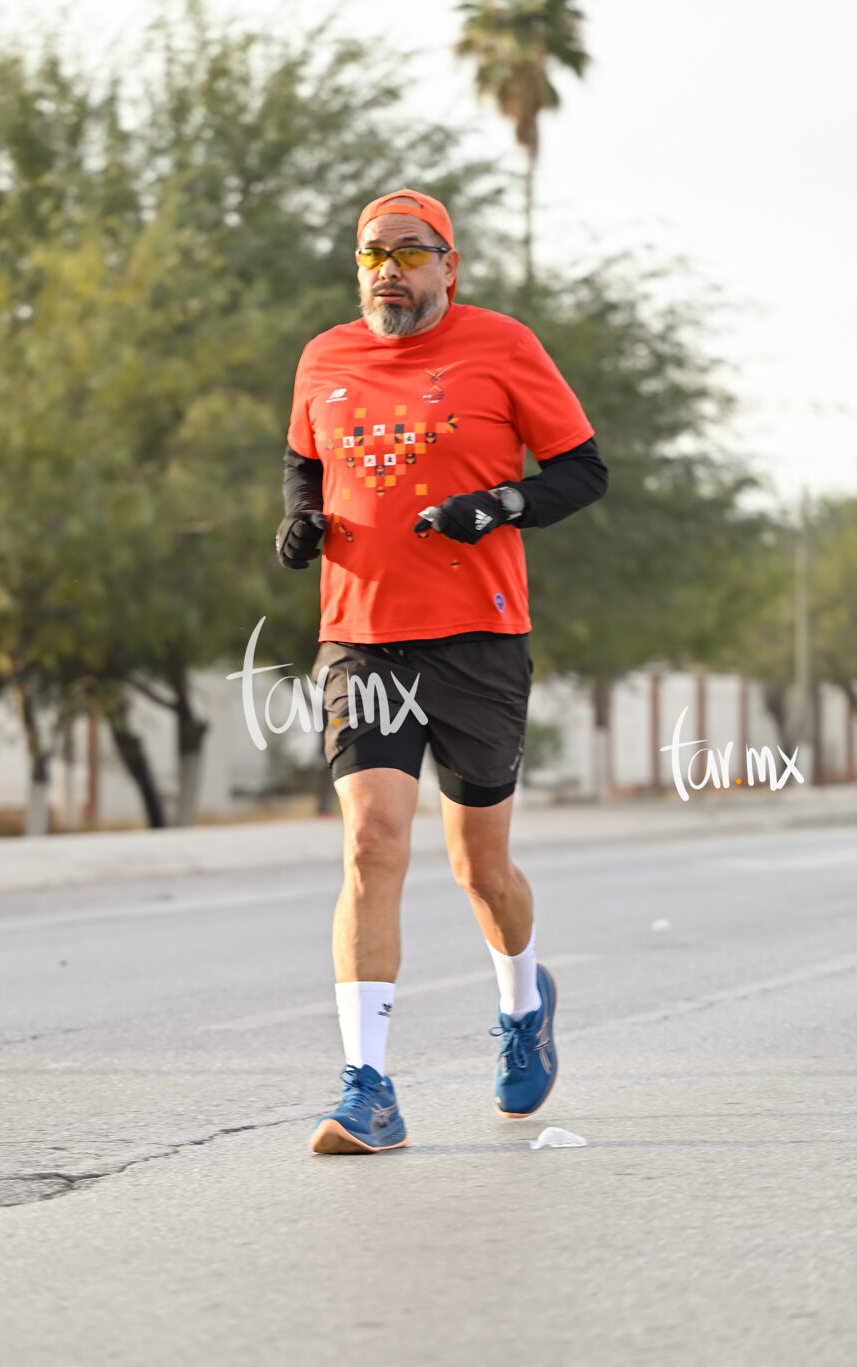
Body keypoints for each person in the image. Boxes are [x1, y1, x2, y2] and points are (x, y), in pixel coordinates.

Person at [276, 188, 607, 1153]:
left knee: (478, 866)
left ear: (448, 267)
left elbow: (581, 471)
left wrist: (497, 505)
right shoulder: (324, 356)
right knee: (372, 842)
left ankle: (523, 1004)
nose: (389, 269)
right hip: (362, 635)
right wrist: (299, 519)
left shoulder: (502, 345)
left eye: (411, 252)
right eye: (373, 253)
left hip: (478, 637)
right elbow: (304, 462)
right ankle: (368, 1085)